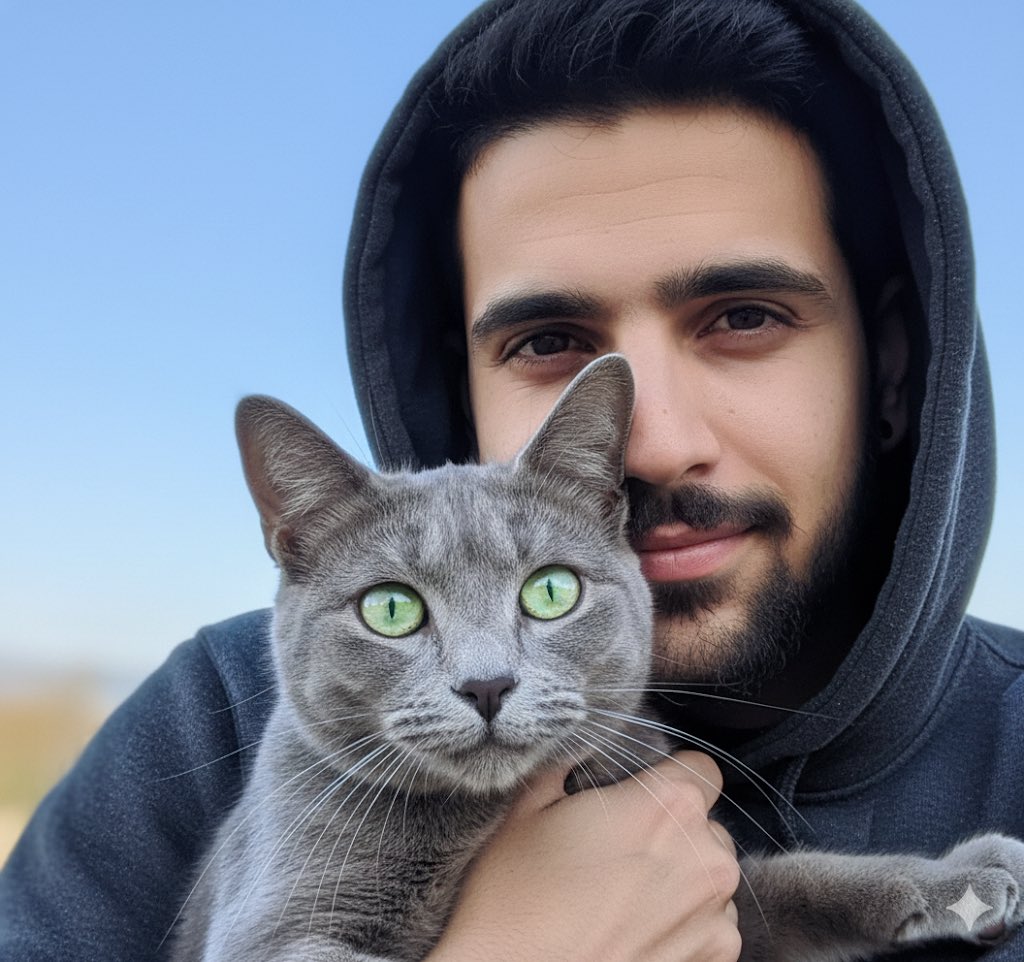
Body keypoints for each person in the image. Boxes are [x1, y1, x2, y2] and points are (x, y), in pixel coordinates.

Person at [2, 0, 1021, 960]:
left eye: (743, 317)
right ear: (458, 382)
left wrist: (875, 901)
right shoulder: (214, 717)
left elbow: (717, 907)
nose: (653, 443)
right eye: (548, 340)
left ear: (893, 367)